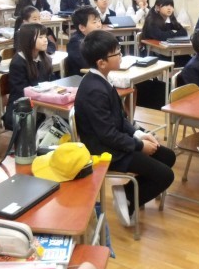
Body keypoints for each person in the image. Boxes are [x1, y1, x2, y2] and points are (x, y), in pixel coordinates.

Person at [74, 30, 176, 227]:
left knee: (168, 156)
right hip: (105, 151)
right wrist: (139, 146)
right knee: (166, 175)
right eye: (117, 53)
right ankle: (129, 197)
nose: (121, 55)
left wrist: (140, 134)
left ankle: (128, 191)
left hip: (116, 141)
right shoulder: (94, 90)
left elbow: (120, 119)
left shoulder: (103, 80)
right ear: (101, 63)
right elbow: (107, 135)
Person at [3, 23, 53, 130]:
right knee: (52, 122)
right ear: (28, 40)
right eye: (40, 37)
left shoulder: (45, 59)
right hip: (21, 108)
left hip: (41, 103)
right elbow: (21, 92)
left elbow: (48, 83)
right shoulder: (18, 62)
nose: (45, 40)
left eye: (45, 36)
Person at [141, 0, 189, 66]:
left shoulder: (171, 19)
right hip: (154, 54)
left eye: (171, 5)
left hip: (168, 52)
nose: (169, 8)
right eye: (166, 5)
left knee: (189, 59)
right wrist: (173, 32)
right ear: (157, 8)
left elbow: (184, 32)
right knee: (186, 62)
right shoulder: (151, 20)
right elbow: (161, 36)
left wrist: (170, 34)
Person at [66, 5, 102, 76]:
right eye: (94, 22)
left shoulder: (97, 37)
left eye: (99, 21)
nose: (99, 25)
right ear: (82, 27)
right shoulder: (75, 43)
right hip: (81, 78)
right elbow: (86, 65)